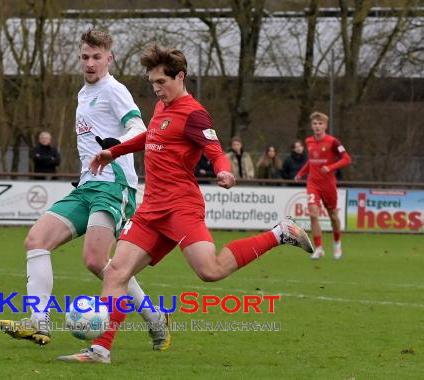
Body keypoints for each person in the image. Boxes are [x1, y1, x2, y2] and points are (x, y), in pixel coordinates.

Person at [58, 44, 313, 364]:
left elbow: (215, 149)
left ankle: (280, 233)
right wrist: (115, 151)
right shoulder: (162, 107)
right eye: (152, 83)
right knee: (116, 273)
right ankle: (100, 350)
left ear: (180, 77)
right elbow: (149, 136)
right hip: (151, 208)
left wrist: (223, 169)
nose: (156, 89)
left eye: (161, 82)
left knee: (210, 270)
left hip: (181, 207)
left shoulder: (194, 113)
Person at [0, 30, 170, 350]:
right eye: (85, 57)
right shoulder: (83, 93)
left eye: (96, 57)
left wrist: (116, 145)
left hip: (113, 184)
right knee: (36, 241)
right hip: (87, 185)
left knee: (95, 260)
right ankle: (39, 322)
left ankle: (153, 316)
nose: (90, 63)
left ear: (109, 58)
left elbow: (139, 127)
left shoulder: (113, 90)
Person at [295, 112, 351, 260]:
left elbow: (347, 159)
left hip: (328, 185)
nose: (317, 126)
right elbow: (311, 161)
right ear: (311, 126)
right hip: (313, 184)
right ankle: (319, 248)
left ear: (325, 125)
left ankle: (337, 243)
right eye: (315, 124)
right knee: (313, 214)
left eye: (320, 124)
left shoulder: (333, 142)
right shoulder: (309, 141)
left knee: (333, 216)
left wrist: (331, 167)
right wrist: (301, 173)